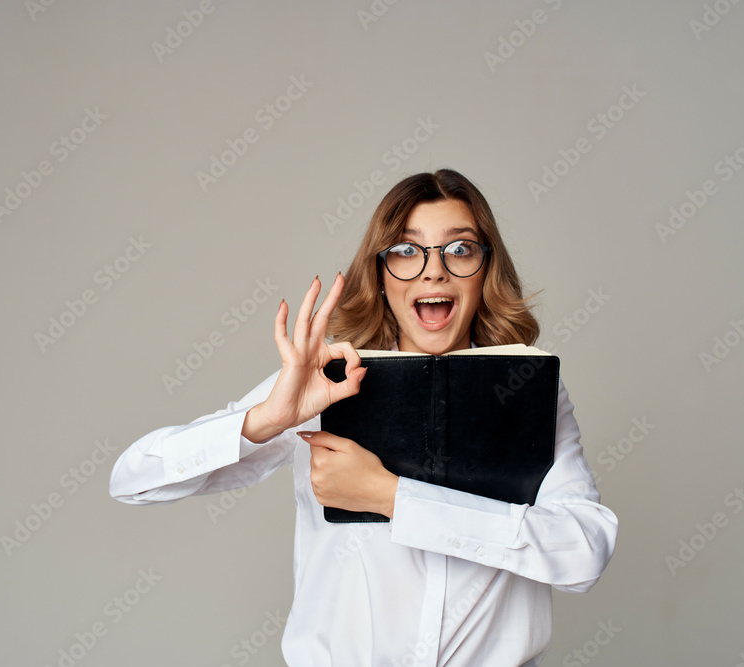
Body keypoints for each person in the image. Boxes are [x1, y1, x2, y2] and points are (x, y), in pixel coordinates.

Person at [109, 169, 618, 666]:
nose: (433, 270)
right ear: (380, 275)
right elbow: (135, 480)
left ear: (486, 270)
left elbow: (584, 551)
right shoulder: (328, 380)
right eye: (406, 251)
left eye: (460, 249)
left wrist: (389, 496)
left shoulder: (530, 390)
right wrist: (267, 418)